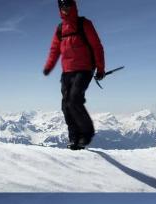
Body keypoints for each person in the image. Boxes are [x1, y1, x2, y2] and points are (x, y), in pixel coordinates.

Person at [43, 0, 105, 150]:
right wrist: (49, 66)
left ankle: (86, 133)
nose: (65, 8)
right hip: (67, 72)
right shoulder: (60, 29)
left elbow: (97, 46)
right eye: (62, 5)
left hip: (84, 69)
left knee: (74, 99)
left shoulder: (84, 24)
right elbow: (54, 50)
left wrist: (100, 68)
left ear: (73, 5)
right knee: (66, 105)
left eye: (67, 4)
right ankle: (74, 139)